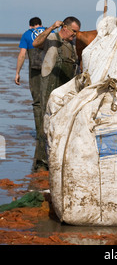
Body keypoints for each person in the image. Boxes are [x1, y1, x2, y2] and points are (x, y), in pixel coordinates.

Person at [33, 16, 81, 170]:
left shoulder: (72, 45)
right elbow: (36, 43)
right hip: (49, 85)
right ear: (64, 27)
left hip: (65, 87)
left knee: (62, 123)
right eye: (73, 31)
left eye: (76, 33)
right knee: (45, 123)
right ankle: (41, 163)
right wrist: (52, 27)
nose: (74, 35)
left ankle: (57, 158)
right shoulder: (52, 38)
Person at [15, 17, 47, 171]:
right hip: (50, 70)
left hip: (34, 71)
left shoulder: (27, 34)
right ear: (41, 24)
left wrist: (17, 72)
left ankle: (40, 132)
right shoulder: (49, 31)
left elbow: (22, 55)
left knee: (37, 102)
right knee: (50, 101)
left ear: (30, 25)